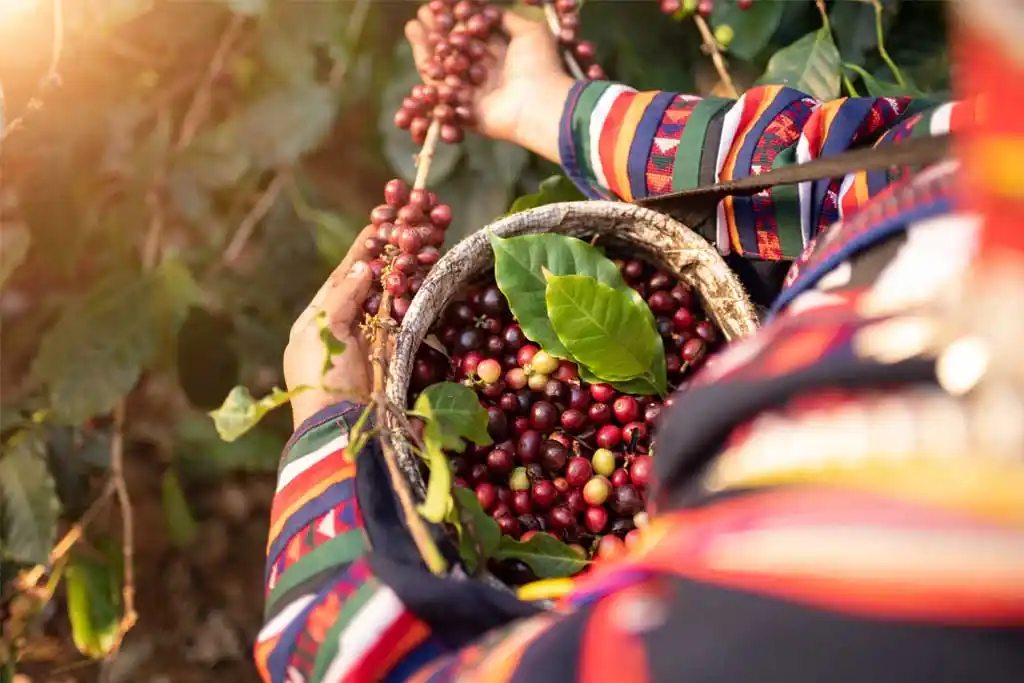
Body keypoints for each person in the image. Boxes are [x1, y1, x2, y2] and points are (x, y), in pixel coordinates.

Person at [254, 9, 1024, 683]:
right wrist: (561, 111)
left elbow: (359, 663)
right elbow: (854, 171)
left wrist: (327, 426)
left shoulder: (867, 604)